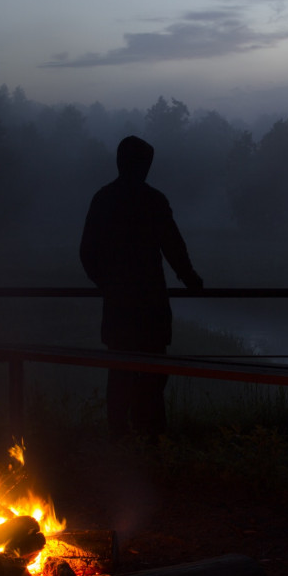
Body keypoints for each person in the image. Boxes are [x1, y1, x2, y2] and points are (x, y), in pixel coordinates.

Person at [80, 135, 203, 439]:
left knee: (120, 371)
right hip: (151, 305)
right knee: (153, 373)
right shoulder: (153, 200)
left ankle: (120, 437)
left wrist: (108, 285)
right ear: (140, 164)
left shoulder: (103, 199)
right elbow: (173, 247)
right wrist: (190, 280)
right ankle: (150, 436)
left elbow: (87, 252)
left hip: (120, 306)